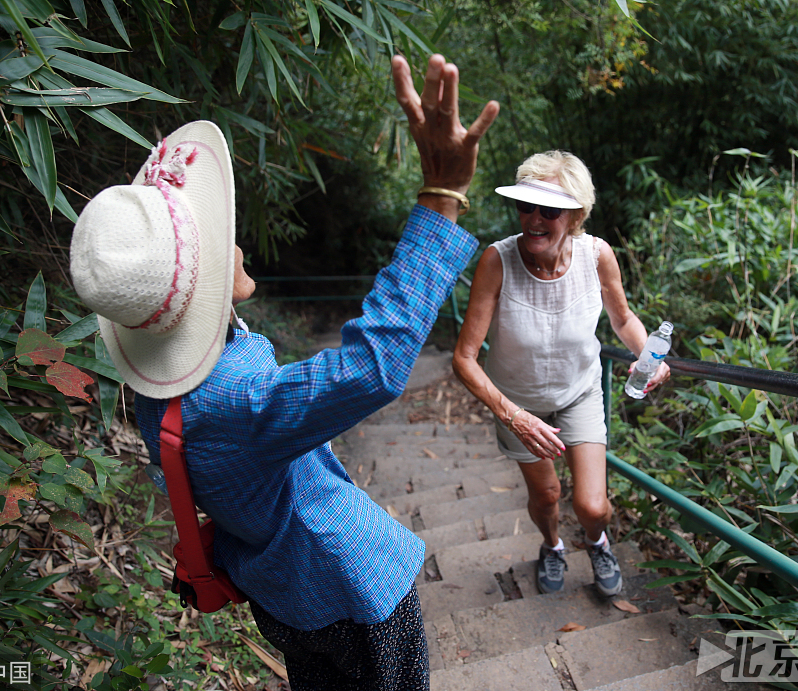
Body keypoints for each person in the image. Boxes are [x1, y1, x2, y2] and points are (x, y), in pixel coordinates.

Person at [69, 54, 498, 690]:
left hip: (282, 596)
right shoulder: (236, 401)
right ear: (204, 283)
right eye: (223, 239)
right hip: (352, 594)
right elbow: (371, 368)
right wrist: (441, 199)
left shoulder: (154, 396)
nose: (237, 244)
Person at [452, 151, 669, 597]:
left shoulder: (597, 255)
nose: (533, 219)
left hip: (579, 391)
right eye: (525, 206)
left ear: (575, 215)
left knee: (593, 505)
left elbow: (624, 320)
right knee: (547, 495)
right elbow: (464, 358)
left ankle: (596, 541)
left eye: (548, 210)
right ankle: (551, 546)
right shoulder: (498, 261)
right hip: (517, 402)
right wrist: (515, 416)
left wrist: (649, 355)